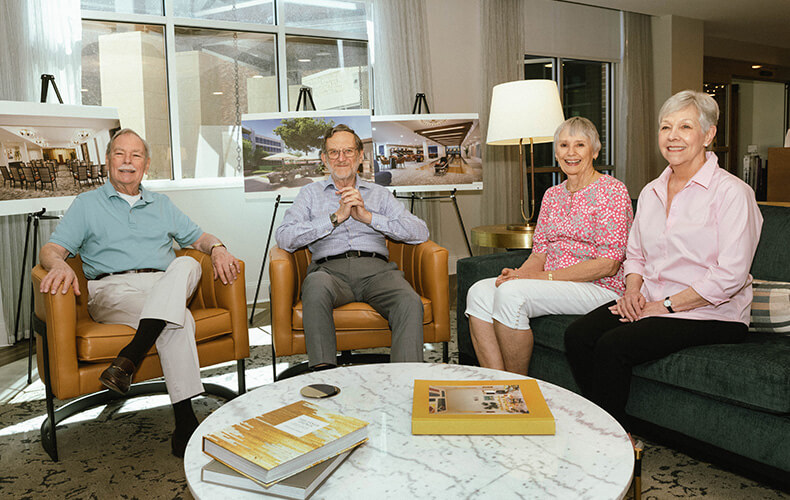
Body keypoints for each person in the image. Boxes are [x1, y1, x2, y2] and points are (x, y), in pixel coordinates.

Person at [564, 90, 763, 427]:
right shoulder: (652, 191)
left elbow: (729, 275)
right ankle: (606, 429)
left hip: (712, 313)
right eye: (665, 127)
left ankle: (611, 439)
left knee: (613, 346)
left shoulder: (732, 193)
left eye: (685, 127)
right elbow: (636, 254)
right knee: (578, 336)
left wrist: (664, 306)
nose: (672, 136)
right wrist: (632, 292)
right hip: (653, 299)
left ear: (708, 134)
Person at [38, 128, 241, 457]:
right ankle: (185, 422)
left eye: (136, 155)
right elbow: (51, 249)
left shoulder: (161, 204)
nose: (127, 161)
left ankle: (129, 358)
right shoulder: (87, 204)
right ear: (108, 161)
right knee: (179, 319)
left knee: (188, 264)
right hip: (113, 290)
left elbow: (199, 238)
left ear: (146, 164)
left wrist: (218, 248)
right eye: (120, 154)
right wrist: (58, 265)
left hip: (162, 285)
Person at [466, 117, 633, 375]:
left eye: (580, 145)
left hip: (599, 287)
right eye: (564, 145)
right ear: (556, 152)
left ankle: (518, 387)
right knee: (479, 292)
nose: (571, 152)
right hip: (552, 282)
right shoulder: (552, 195)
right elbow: (539, 253)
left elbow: (608, 264)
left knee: (512, 296)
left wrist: (541, 278)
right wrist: (519, 274)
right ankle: (498, 383)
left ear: (595, 151)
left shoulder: (612, 192)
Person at [275, 124, 429, 370]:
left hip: (377, 271)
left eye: (348, 151)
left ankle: (405, 381)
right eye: (334, 152)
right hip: (329, 272)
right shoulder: (309, 194)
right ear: (324, 159)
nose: (341, 158)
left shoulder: (379, 194)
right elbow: (284, 237)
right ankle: (325, 378)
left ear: (359, 156)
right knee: (315, 287)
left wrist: (368, 217)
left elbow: (420, 232)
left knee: (409, 301)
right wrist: (335, 218)